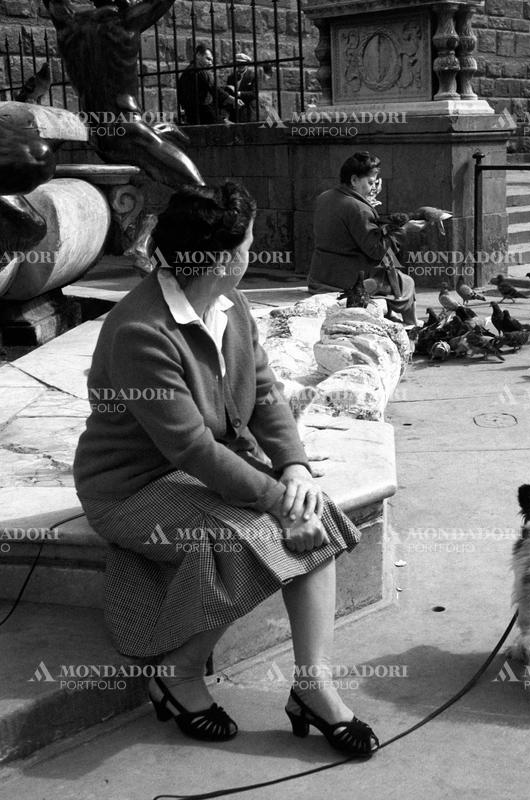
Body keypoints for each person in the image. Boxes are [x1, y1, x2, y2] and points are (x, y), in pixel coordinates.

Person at [73, 181, 378, 757]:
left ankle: (313, 685)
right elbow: (189, 447)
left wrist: (293, 470)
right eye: (249, 242)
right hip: (132, 487)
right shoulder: (141, 330)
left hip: (199, 470)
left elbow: (265, 393)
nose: (252, 251)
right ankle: (179, 674)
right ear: (221, 258)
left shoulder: (229, 303)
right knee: (249, 538)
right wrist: (274, 499)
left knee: (315, 516)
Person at [43, 0, 203, 188]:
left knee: (170, 133)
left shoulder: (68, 24)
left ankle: (161, 131)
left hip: (95, 131)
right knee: (200, 190)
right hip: (126, 128)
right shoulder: (125, 23)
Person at [307, 152, 418, 327]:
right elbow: (377, 251)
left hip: (320, 275)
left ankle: (394, 317)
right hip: (348, 280)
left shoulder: (324, 197)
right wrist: (403, 230)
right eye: (370, 183)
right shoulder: (358, 208)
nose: (373, 188)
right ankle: (410, 326)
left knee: (393, 271)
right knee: (407, 281)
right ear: (354, 180)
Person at [177, 43, 241, 125]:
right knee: (230, 128)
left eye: (211, 60)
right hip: (204, 113)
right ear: (198, 55)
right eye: (208, 59)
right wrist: (232, 99)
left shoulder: (187, 72)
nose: (211, 63)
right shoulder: (199, 71)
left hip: (192, 114)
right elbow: (213, 88)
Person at [224, 53, 256, 123]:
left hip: (247, 111)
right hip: (234, 112)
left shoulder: (253, 76)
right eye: (238, 63)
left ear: (247, 63)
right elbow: (228, 93)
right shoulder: (231, 77)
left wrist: (239, 93)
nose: (240, 65)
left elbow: (254, 94)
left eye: (242, 63)